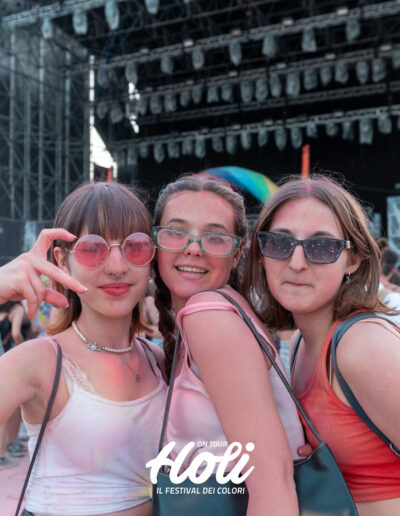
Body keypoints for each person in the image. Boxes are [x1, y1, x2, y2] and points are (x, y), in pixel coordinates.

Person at [0, 181, 167, 516]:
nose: (117, 266)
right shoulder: (40, 361)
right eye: (93, 248)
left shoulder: (158, 360)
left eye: (134, 247)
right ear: (62, 261)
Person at [244, 173, 400, 516]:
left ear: (353, 260)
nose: (297, 263)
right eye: (280, 243)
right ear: (261, 253)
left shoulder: (362, 346)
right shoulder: (304, 341)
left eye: (322, 248)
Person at [152, 174, 305, 515]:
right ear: (155, 243)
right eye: (176, 232)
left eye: (215, 237)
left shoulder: (209, 315)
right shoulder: (224, 309)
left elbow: (272, 483)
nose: (193, 248)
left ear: (237, 253)